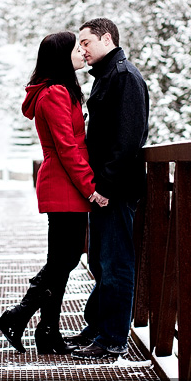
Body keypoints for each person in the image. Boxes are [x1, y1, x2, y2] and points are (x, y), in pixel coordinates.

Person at [0, 31, 109, 355]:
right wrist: (92, 189)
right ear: (61, 56)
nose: (82, 52)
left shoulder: (58, 90)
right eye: (77, 47)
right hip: (65, 186)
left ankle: (46, 332)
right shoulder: (55, 93)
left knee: (62, 260)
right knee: (63, 260)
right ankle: (19, 317)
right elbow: (67, 149)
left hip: (64, 185)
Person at [68, 18, 149, 360]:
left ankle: (113, 337)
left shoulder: (124, 77)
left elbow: (128, 139)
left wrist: (105, 186)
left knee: (116, 263)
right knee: (101, 262)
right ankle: (99, 328)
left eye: (86, 42)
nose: (82, 49)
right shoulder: (107, 76)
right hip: (103, 187)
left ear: (106, 39)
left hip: (114, 188)